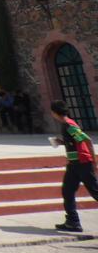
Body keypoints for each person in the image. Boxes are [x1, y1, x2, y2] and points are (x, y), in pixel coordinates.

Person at [50, 99, 98, 232]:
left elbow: (87, 139)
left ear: (54, 113)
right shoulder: (65, 125)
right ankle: (73, 221)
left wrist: (94, 162)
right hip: (73, 165)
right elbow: (74, 142)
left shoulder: (68, 125)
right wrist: (61, 141)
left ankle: (73, 221)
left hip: (83, 163)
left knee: (95, 191)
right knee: (67, 191)